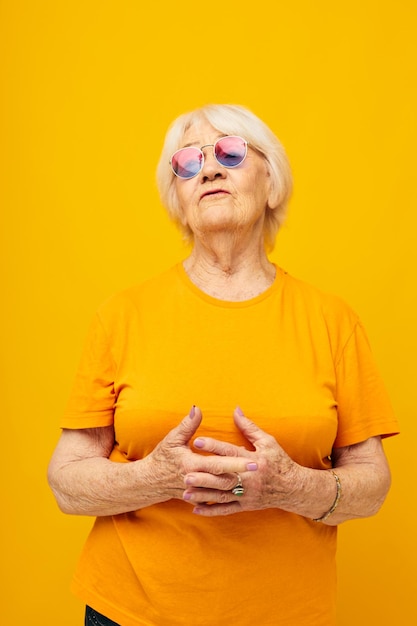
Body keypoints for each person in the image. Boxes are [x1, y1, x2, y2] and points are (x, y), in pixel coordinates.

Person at [48, 104, 399, 626]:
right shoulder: (122, 315)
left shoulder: (332, 320)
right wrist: (157, 477)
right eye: (187, 162)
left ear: (272, 183)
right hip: (130, 612)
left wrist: (290, 486)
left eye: (230, 152)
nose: (208, 169)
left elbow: (372, 484)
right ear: (179, 200)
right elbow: (65, 481)